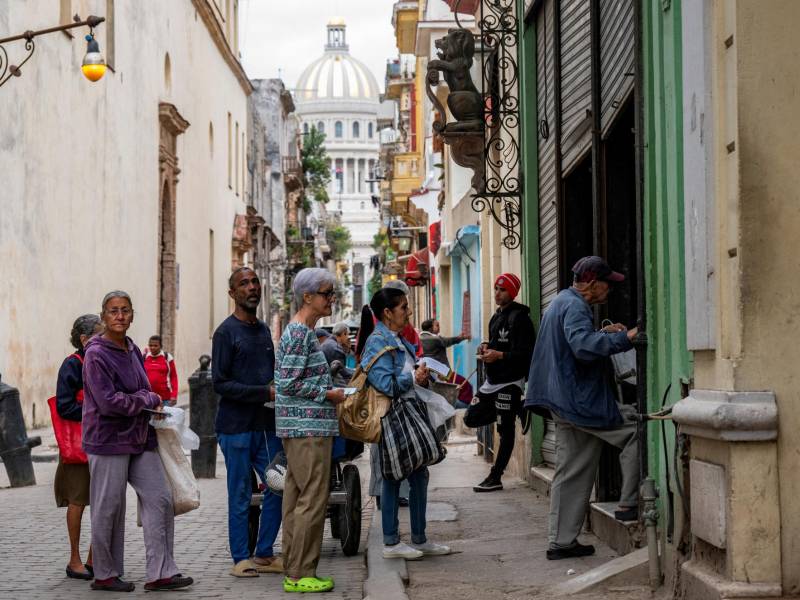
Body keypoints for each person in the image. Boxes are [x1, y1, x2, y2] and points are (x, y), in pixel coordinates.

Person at [524, 256, 639, 560]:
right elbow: (582, 347)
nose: (609, 290)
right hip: (577, 400)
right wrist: (625, 338)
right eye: (606, 284)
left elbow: (572, 344)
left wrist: (604, 334)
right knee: (635, 431)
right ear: (590, 283)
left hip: (560, 399)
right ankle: (629, 505)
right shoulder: (576, 306)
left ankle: (561, 542)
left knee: (571, 469)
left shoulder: (560, 301)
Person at [82, 291, 192, 592]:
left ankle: (161, 572)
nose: (120, 316)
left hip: (140, 436)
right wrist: (148, 398)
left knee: (160, 498)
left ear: (132, 315)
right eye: (113, 311)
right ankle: (105, 574)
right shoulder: (96, 353)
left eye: (125, 310)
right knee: (109, 507)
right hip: (107, 439)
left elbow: (140, 388)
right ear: (104, 316)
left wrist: (146, 399)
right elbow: (108, 402)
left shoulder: (131, 348)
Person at [361, 287, 451, 560]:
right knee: (392, 475)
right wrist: (414, 376)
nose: (409, 312)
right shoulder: (377, 342)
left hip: (409, 412)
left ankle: (419, 538)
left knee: (418, 474)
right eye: (403, 307)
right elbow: (385, 384)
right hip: (392, 416)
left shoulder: (398, 339)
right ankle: (390, 542)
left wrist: (422, 373)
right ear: (387, 313)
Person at [275, 268, 346, 594]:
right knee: (312, 501)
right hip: (308, 428)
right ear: (307, 297)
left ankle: (294, 568)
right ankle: (302, 571)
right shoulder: (301, 333)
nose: (331, 299)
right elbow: (287, 382)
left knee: (297, 499)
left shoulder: (299, 332)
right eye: (326, 293)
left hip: (303, 427)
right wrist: (328, 393)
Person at [212, 266, 283, 577]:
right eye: (244, 283)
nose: (252, 287)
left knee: (280, 486)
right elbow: (220, 383)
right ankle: (241, 557)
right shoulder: (226, 333)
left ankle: (265, 553)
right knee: (240, 493)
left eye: (255, 281)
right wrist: (263, 391)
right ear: (233, 293)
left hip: (267, 426)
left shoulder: (265, 330)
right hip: (236, 428)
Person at [473, 273, 536, 493]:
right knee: (472, 417)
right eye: (496, 289)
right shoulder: (496, 317)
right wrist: (484, 348)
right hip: (493, 381)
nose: (497, 293)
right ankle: (518, 407)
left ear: (513, 292)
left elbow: (526, 353)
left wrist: (499, 355)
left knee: (505, 429)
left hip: (510, 381)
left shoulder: (521, 319)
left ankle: (495, 477)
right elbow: (494, 343)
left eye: (503, 289)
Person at [55, 314, 103, 581]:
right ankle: (74, 560)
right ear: (84, 339)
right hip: (79, 446)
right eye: (99, 335)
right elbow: (64, 405)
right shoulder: (72, 365)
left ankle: (94, 558)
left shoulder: (101, 360)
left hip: (102, 443)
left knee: (102, 502)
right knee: (78, 501)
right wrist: (94, 410)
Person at [142, 335, 178, 406]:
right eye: (151, 345)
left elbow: (173, 377)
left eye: (155, 345)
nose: (152, 348)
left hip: (165, 399)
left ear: (160, 346)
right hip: (149, 398)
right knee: (149, 417)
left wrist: (174, 395)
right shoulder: (145, 357)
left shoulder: (167, 357)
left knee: (164, 417)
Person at [320, 322, 354, 386]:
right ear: (344, 333)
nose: (347, 338)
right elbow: (343, 373)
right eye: (347, 335)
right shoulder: (336, 348)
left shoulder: (329, 342)